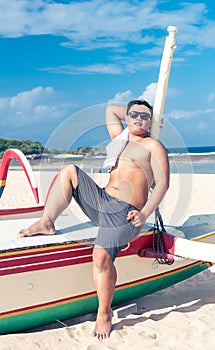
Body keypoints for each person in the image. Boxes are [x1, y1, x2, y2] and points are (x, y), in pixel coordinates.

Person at [18, 99, 169, 339]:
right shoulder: (120, 137)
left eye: (145, 116)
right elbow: (110, 109)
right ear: (128, 116)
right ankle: (47, 221)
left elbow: (162, 184)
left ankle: (104, 312)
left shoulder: (153, 146)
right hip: (101, 202)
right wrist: (139, 113)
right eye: (134, 115)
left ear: (151, 121)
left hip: (125, 212)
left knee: (100, 256)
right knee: (69, 171)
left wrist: (144, 213)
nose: (139, 119)